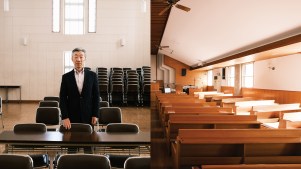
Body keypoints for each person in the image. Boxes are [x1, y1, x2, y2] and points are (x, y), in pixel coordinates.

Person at [59, 47, 100, 153]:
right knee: (71, 146)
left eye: (81, 57)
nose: (78, 59)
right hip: (71, 117)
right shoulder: (66, 77)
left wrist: (95, 114)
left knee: (88, 146)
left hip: (88, 115)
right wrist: (65, 116)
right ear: (72, 59)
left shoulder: (92, 76)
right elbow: (62, 98)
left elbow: (96, 96)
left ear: (85, 58)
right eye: (76, 57)